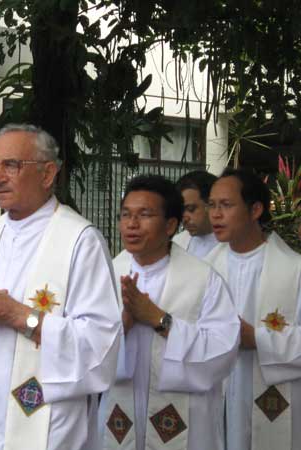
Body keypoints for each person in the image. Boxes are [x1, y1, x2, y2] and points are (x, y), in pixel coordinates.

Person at [0, 123, 122, 450]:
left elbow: (100, 342)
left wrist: (17, 314)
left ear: (48, 174)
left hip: (48, 420)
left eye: (12, 165)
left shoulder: (80, 241)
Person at [100, 174, 239, 450]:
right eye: (126, 214)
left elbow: (223, 351)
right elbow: (85, 346)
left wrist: (159, 319)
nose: (132, 224)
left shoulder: (203, 279)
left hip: (185, 421)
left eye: (145, 215)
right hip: (119, 414)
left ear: (170, 225)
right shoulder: (107, 274)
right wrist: (122, 326)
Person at [206, 169, 301, 450]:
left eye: (226, 205)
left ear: (256, 209)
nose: (215, 215)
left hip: (274, 400)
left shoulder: (294, 270)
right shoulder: (203, 270)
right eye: (212, 205)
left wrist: (258, 338)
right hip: (219, 395)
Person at [172, 170, 219, 258]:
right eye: (180, 210)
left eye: (191, 209)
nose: (184, 218)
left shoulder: (235, 246)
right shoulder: (177, 243)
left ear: (211, 204)